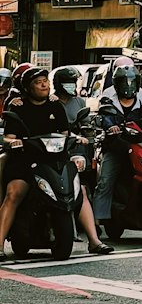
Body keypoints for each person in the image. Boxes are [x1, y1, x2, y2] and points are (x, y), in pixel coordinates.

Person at [0, 67, 83, 260]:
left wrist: (75, 139)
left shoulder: (55, 105)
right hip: (24, 161)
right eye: (38, 82)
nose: (44, 85)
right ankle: (0, 244)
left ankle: (95, 240)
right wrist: (15, 142)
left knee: (80, 190)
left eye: (45, 80)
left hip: (52, 160)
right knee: (14, 194)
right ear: (28, 88)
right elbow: (9, 137)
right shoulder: (18, 106)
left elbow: (64, 134)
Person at [50, 65, 113, 256]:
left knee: (84, 187)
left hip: (74, 151)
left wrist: (86, 135)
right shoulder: (50, 102)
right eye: (68, 83)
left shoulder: (79, 102)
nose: (72, 86)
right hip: (51, 154)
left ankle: (94, 236)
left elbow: (85, 125)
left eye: (73, 82)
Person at [92, 59, 142, 226]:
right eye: (124, 80)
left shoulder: (141, 95)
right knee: (106, 180)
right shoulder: (108, 95)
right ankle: (97, 219)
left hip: (139, 144)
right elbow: (104, 116)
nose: (128, 84)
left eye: (131, 80)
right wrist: (112, 127)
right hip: (115, 146)